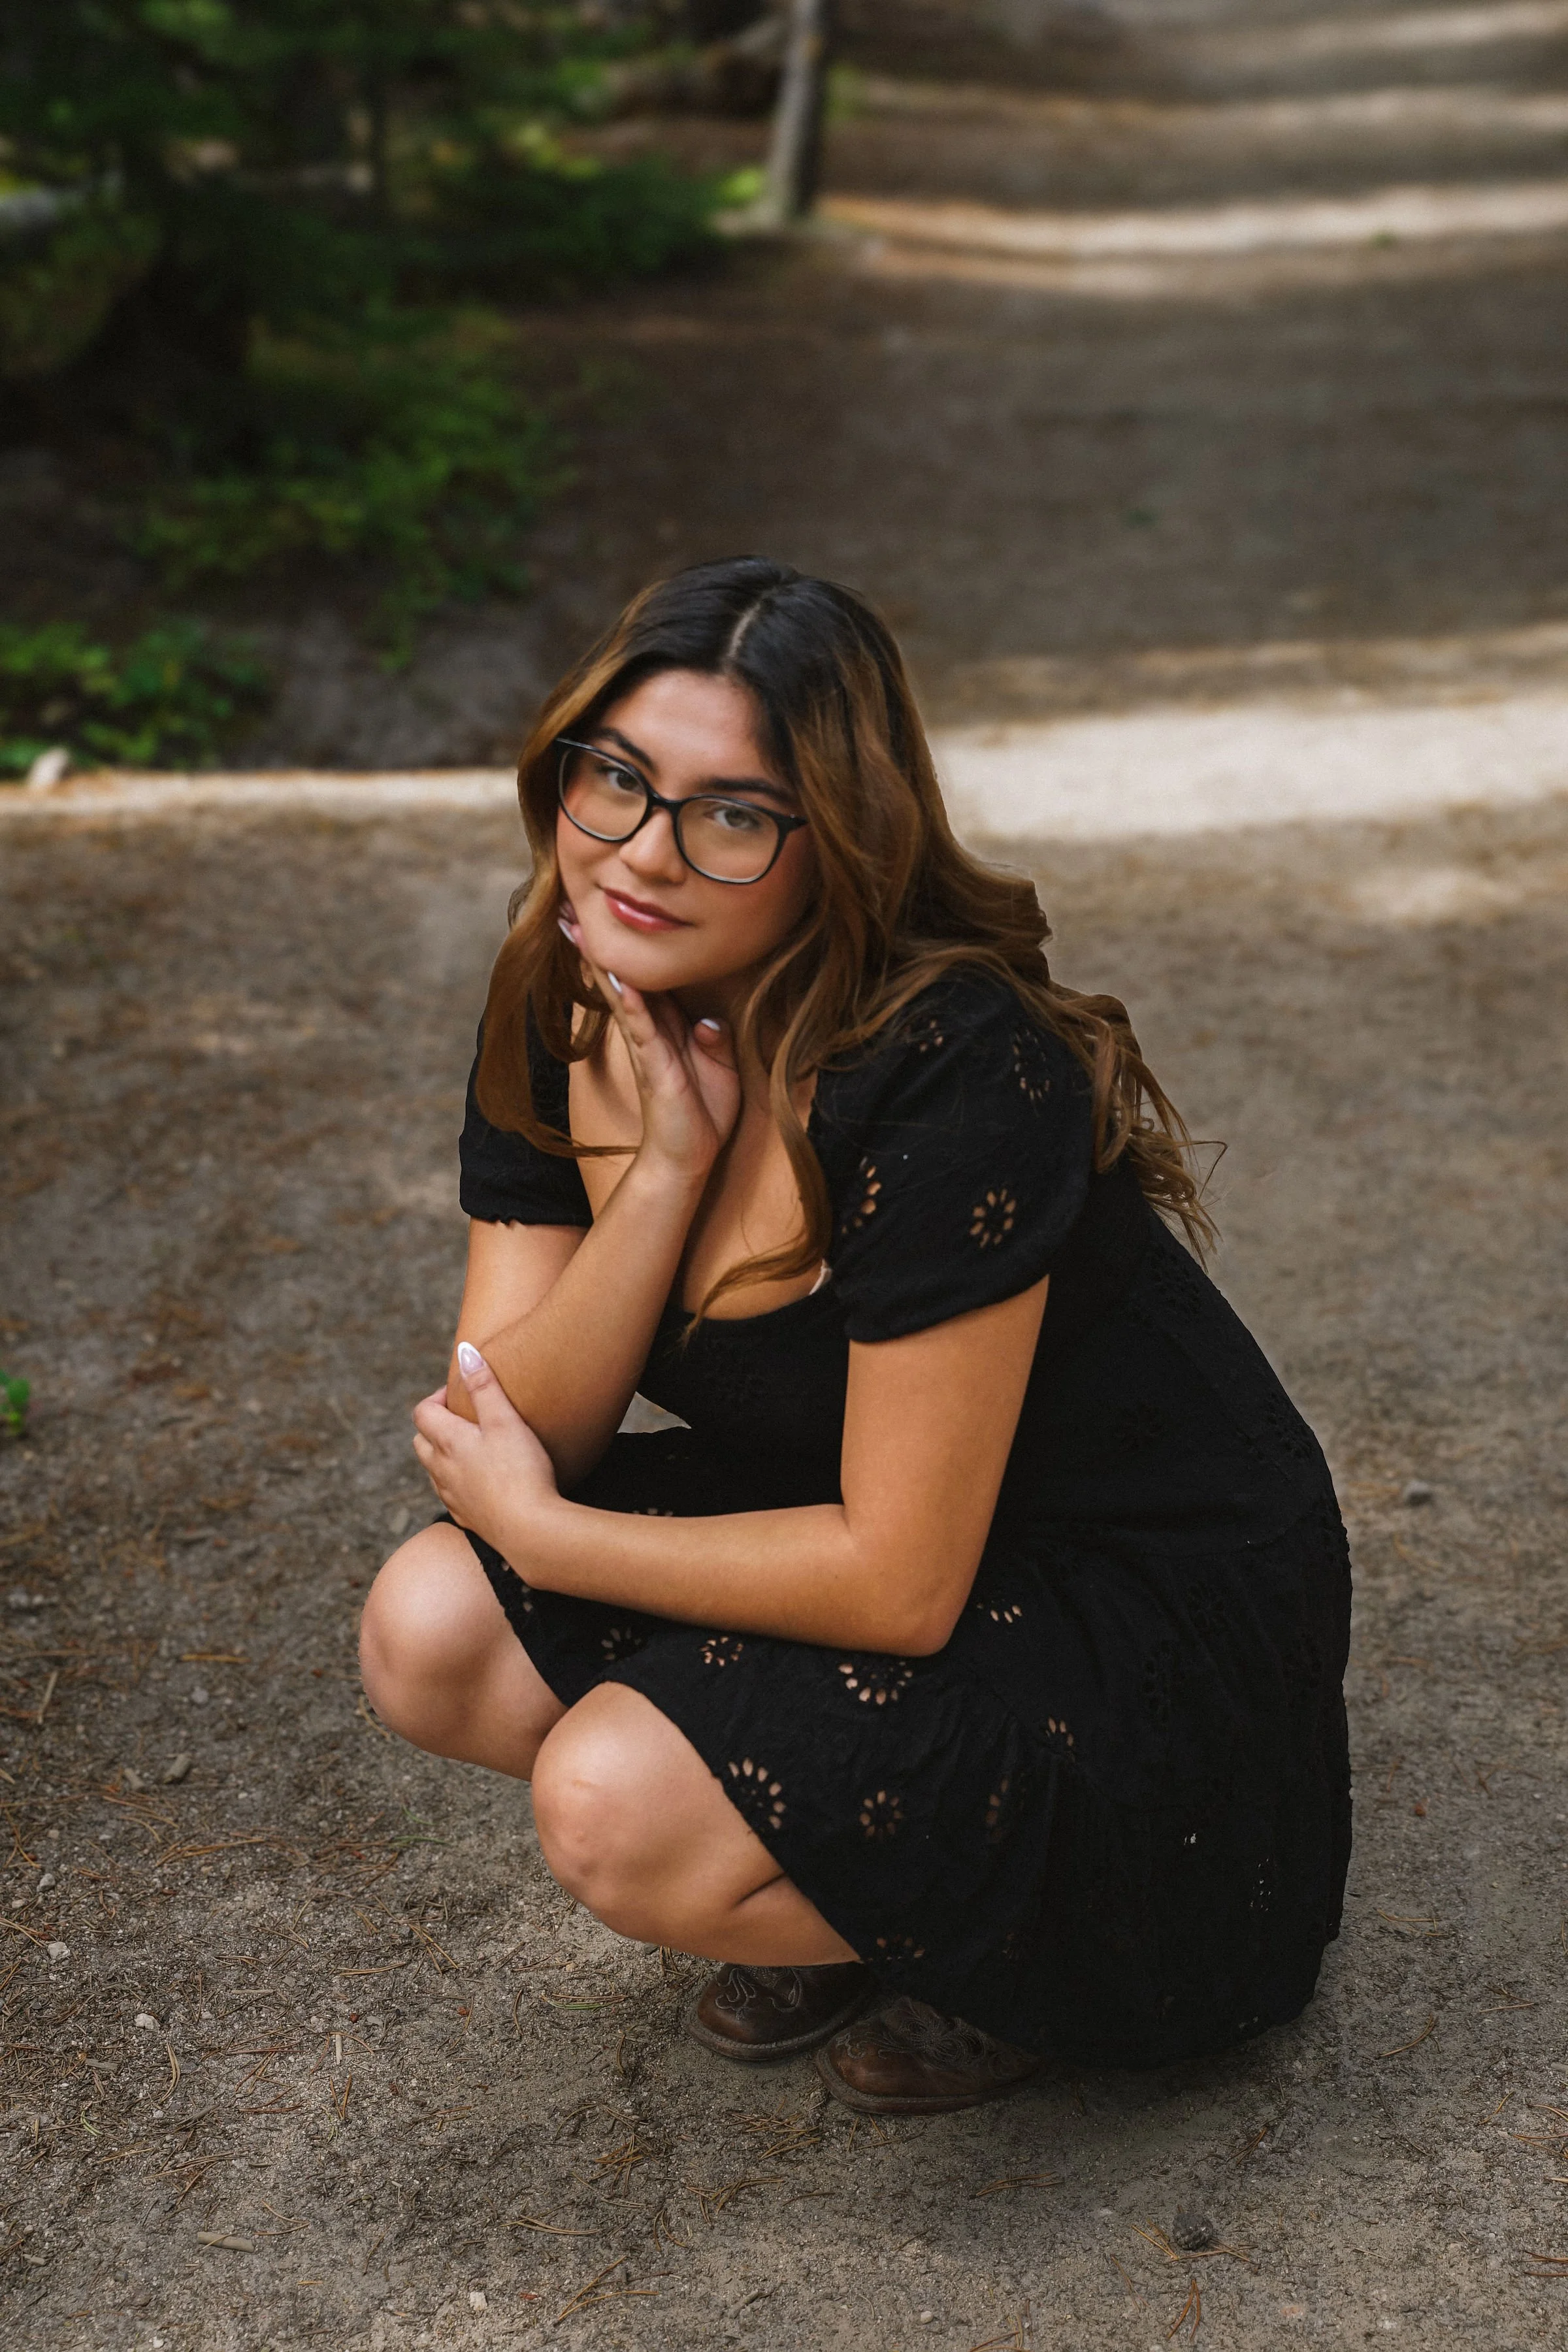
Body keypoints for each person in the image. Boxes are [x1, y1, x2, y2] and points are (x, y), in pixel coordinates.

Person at [359, 558, 1352, 2115]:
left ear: (842, 844)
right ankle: (863, 1868)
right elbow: (505, 1429)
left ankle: (1009, 1943)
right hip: (897, 1553)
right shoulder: (570, 994)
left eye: (732, 814)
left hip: (1129, 1596)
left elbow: (898, 1580)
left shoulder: (946, 1073)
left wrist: (553, 1538)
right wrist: (663, 1184)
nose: (643, 852)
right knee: (430, 1625)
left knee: (613, 1804)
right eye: (614, 780)